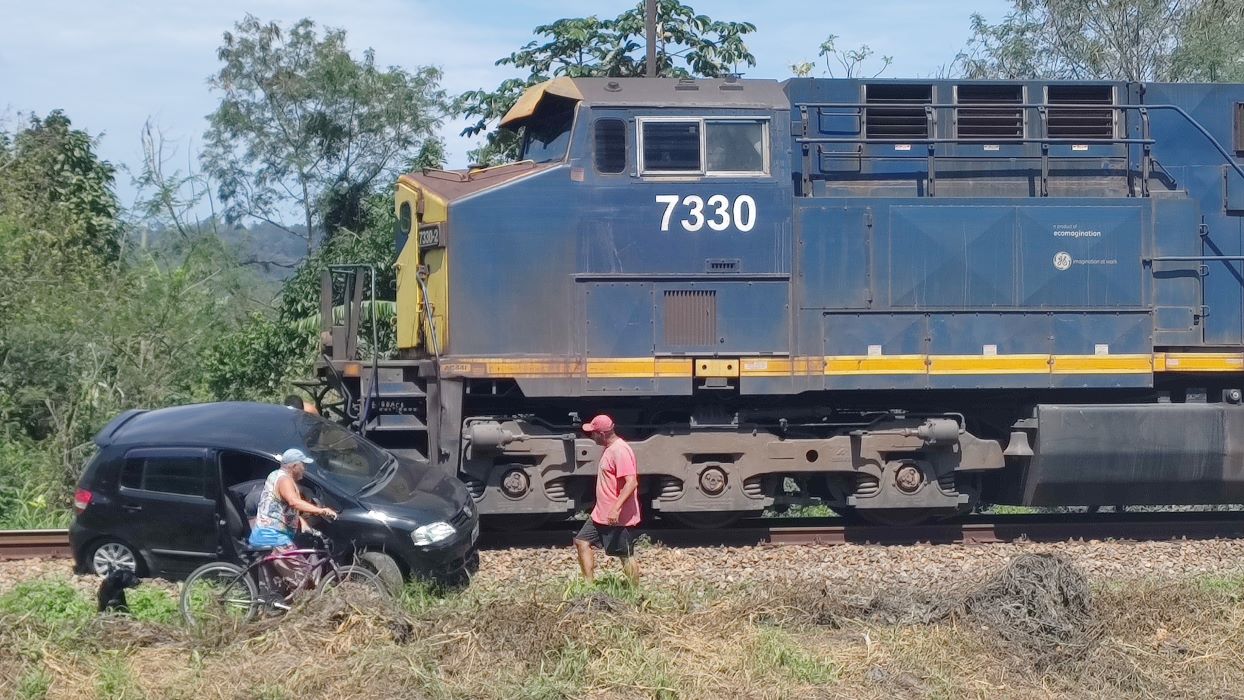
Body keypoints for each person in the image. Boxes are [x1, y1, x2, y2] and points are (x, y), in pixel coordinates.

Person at [250, 448, 338, 594]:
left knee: (276, 585)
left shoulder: (277, 475)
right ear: (294, 466)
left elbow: (282, 506)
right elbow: (293, 502)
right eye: (303, 465)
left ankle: (275, 607)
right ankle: (305, 605)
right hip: (273, 537)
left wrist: (300, 521)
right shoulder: (284, 480)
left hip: (267, 534)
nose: (305, 469)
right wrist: (321, 510)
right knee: (304, 577)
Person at [573, 414, 640, 585]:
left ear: (601, 434)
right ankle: (589, 586)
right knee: (582, 541)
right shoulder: (609, 449)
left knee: (625, 555)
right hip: (601, 514)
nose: (591, 436)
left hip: (616, 516)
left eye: (592, 433)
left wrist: (616, 508)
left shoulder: (620, 450)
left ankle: (635, 591)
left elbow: (631, 483)